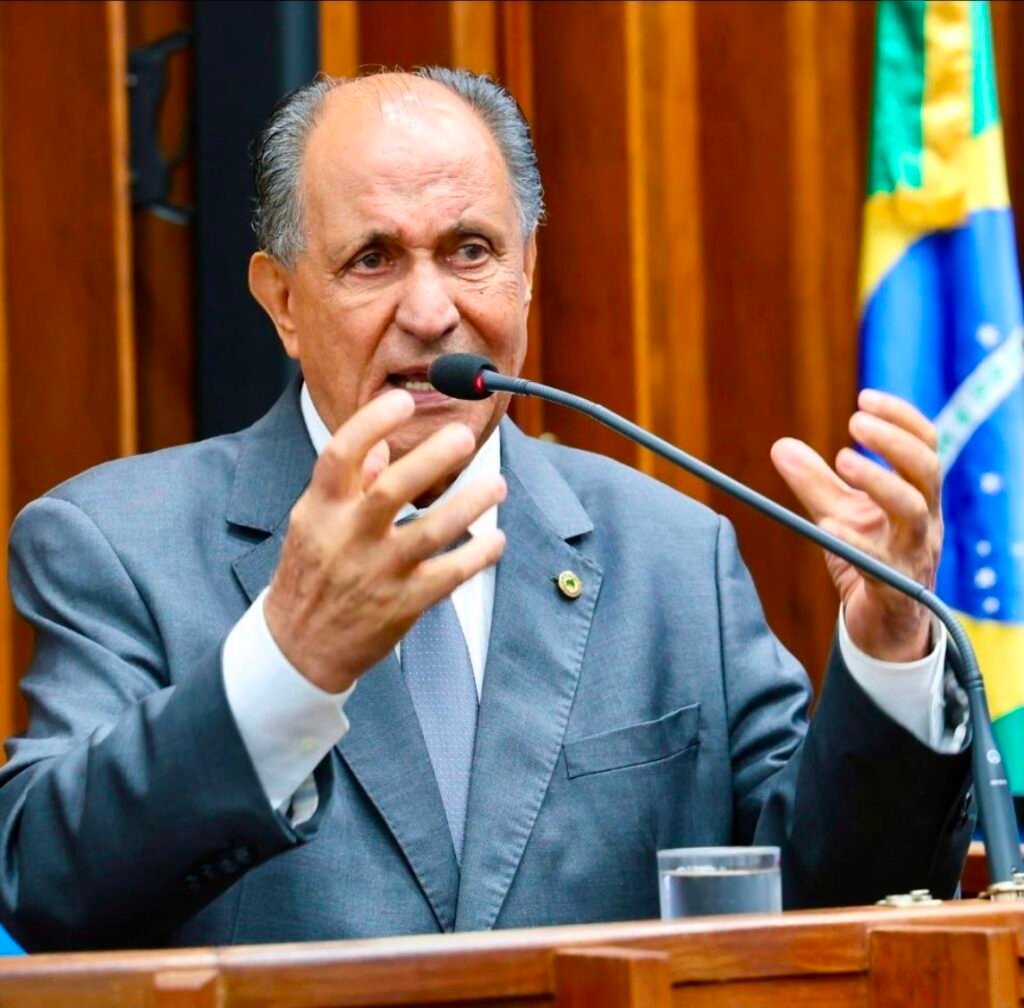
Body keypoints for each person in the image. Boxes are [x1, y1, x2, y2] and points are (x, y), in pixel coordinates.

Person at [0, 68, 971, 953]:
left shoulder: (674, 555)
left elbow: (830, 908)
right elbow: (46, 886)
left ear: (527, 271)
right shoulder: (115, 545)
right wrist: (287, 663)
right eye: (373, 259)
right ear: (283, 301)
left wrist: (890, 648)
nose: (431, 313)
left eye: (470, 251)